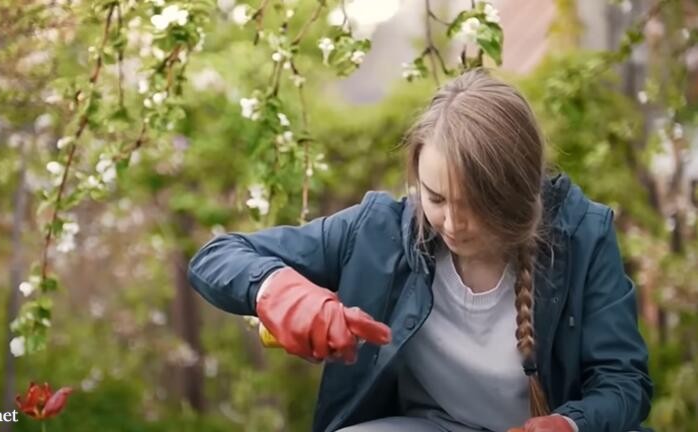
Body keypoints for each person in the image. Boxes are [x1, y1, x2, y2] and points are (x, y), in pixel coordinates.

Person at [187, 69, 653, 432]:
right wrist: (282, 291)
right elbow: (216, 257)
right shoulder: (378, 233)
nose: (451, 223)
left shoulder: (583, 236)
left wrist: (570, 423)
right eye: (435, 198)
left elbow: (624, 382)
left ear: (516, 192)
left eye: (474, 205)